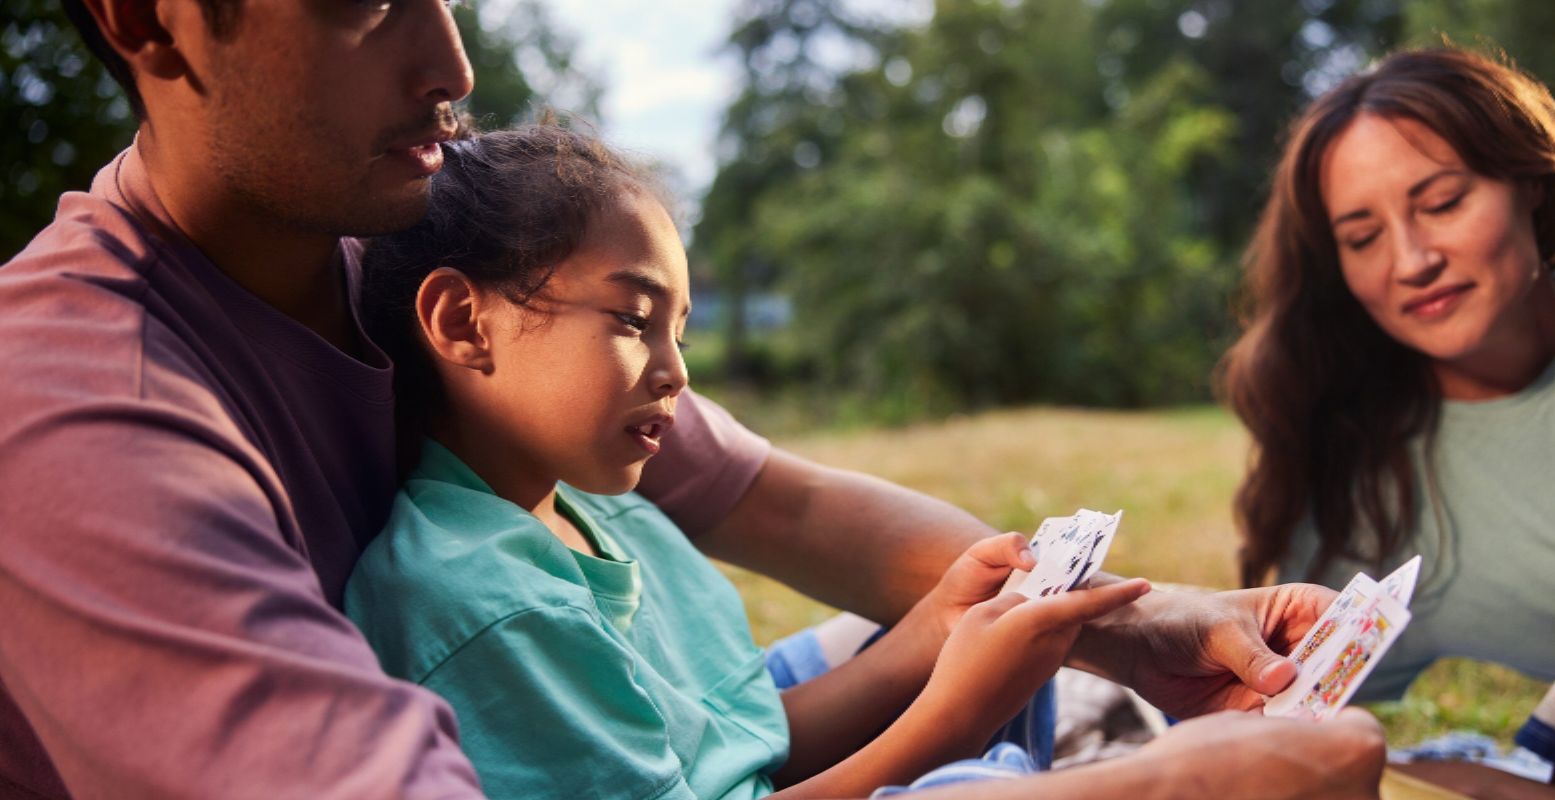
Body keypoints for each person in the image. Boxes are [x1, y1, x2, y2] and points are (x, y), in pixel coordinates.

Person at [0, 0, 1383, 796]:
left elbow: (764, 494)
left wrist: (1139, 625)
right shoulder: (81, 417)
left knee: (926, 638)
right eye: (365, 1)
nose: (452, 63)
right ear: (146, 18)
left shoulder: (386, 238)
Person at [344, 124, 1153, 798]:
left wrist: (936, 626)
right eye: (632, 319)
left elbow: (746, 745)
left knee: (991, 639)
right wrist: (954, 717)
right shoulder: (484, 601)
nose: (676, 371)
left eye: (679, 332)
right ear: (461, 322)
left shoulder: (607, 515)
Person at [1222, 46, 1555, 797]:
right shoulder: (1357, 460)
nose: (1410, 261)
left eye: (1440, 203)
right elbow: (1298, 731)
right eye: (1363, 237)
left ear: (1529, 182)